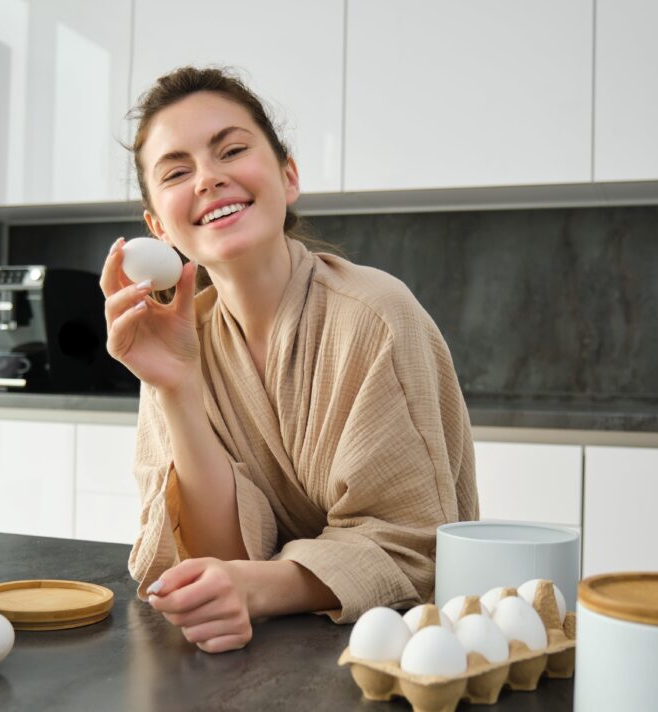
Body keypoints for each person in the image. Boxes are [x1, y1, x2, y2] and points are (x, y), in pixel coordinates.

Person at [99, 66, 478, 653]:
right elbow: (215, 561)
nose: (208, 178)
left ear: (288, 174)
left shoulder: (375, 316)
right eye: (177, 171)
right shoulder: (176, 339)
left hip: (395, 651)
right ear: (157, 227)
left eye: (231, 150)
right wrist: (175, 385)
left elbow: (412, 543)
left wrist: (259, 588)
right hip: (249, 651)